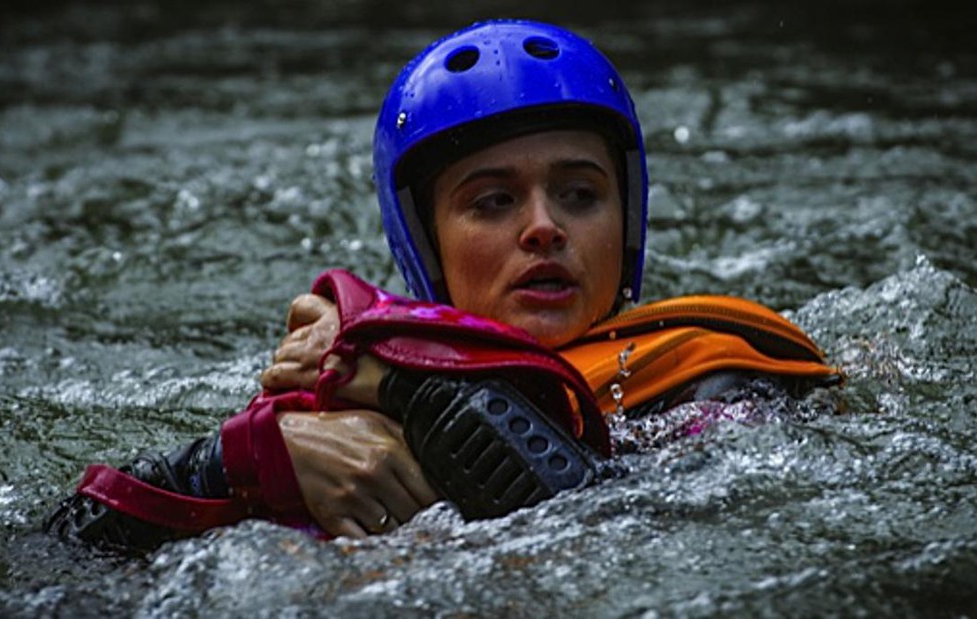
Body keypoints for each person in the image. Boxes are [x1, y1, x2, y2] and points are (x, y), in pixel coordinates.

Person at [46, 19, 841, 552]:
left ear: (624, 221)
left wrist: (401, 385)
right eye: (493, 201)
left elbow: (597, 526)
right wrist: (250, 457)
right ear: (427, 245)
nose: (543, 227)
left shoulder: (713, 374)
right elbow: (56, 553)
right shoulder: (339, 396)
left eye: (579, 193)